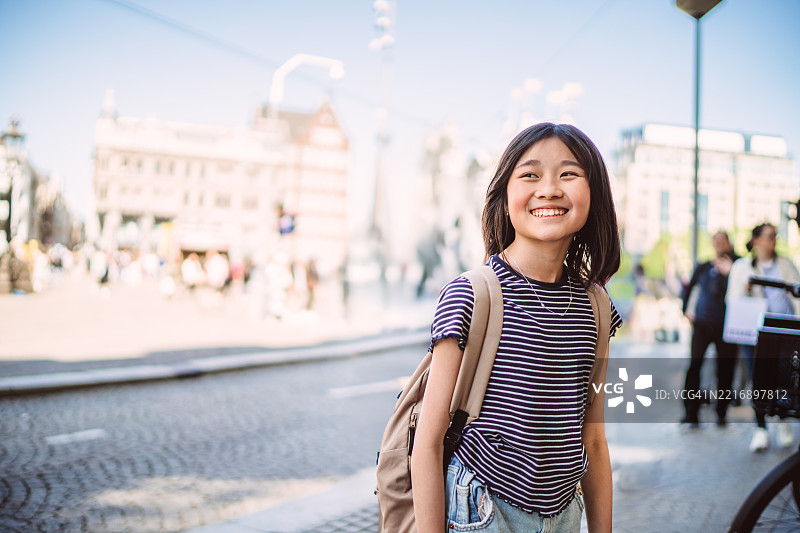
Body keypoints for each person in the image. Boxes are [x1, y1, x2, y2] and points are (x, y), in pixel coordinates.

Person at [410, 123, 622, 533]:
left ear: (593, 196)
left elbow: (593, 439)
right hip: (483, 509)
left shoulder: (597, 306)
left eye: (569, 174)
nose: (549, 189)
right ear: (504, 198)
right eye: (530, 174)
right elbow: (429, 442)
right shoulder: (471, 294)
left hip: (565, 514)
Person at [727, 223, 800, 452]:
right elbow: (732, 299)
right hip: (755, 332)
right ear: (756, 240)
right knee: (759, 380)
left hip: (784, 332)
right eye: (769, 236)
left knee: (784, 379)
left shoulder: (785, 264)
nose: (773, 240)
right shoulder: (742, 267)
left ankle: (782, 422)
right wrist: (747, 289)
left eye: (775, 236)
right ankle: (760, 429)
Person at [680, 230, 739, 427]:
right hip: (702, 323)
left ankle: (721, 411)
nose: (720, 244)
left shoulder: (738, 265)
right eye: (716, 240)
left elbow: (744, 287)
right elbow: (689, 288)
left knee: (725, 368)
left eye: (723, 240)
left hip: (726, 325)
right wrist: (686, 310)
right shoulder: (705, 266)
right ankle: (690, 412)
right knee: (695, 365)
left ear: (729, 243)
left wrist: (732, 272)